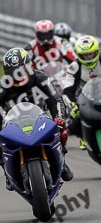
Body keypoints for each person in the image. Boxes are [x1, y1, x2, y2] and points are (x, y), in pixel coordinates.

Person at [0, 47, 73, 188]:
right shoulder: (3, 86)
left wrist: (58, 117)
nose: (18, 73)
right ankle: (7, 173)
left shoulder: (40, 78)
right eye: (14, 70)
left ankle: (62, 161)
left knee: (61, 128)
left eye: (21, 68)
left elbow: (55, 99)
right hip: (14, 123)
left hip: (40, 118)